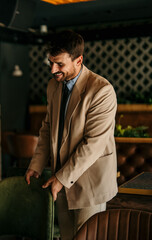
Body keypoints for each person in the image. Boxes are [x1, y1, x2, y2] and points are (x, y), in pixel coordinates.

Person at [25, 30, 118, 240]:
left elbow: (93, 144)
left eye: (59, 64)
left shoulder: (102, 90)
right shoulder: (53, 86)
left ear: (79, 60)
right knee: (67, 237)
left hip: (90, 183)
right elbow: (47, 127)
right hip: (61, 178)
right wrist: (36, 164)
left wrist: (61, 177)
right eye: (50, 63)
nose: (52, 70)